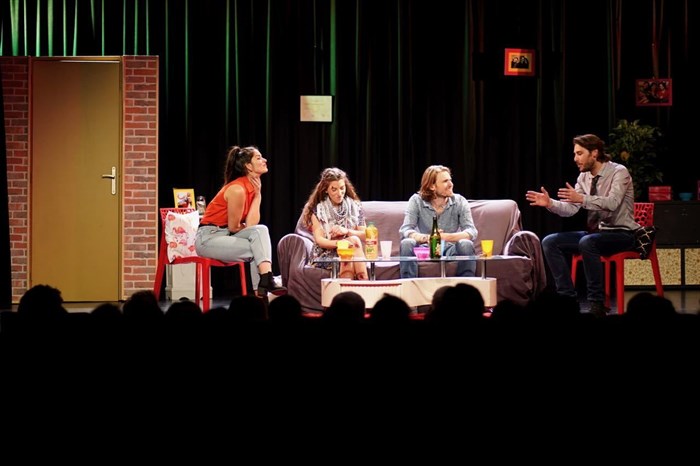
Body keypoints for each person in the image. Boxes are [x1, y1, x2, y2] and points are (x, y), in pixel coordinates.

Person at [525, 134, 638, 317]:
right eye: (574, 154)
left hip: (623, 234)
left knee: (587, 242)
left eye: (579, 153)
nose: (575, 159)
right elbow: (571, 209)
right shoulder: (583, 177)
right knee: (550, 241)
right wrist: (550, 203)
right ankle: (567, 299)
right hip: (597, 234)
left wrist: (582, 198)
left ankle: (596, 303)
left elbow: (613, 203)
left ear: (594, 153)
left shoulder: (619, 172)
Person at [195, 145, 287, 298]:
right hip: (208, 238)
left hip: (225, 236)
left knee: (261, 233)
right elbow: (234, 227)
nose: (264, 160)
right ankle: (265, 286)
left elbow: (251, 226)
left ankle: (264, 285)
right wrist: (245, 227)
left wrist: (258, 196)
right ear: (248, 166)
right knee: (258, 248)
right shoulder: (237, 189)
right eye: (259, 158)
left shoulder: (250, 188)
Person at [399, 165, 477, 279]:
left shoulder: (460, 201)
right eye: (445, 181)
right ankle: (408, 285)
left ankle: (466, 286)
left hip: (450, 248)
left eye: (450, 180)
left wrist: (446, 237)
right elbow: (405, 230)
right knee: (406, 243)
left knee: (466, 244)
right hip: (425, 248)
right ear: (432, 186)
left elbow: (471, 231)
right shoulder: (416, 200)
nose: (451, 184)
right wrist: (427, 238)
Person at [301, 167, 369, 280]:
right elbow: (320, 240)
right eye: (334, 189)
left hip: (349, 249)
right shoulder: (318, 210)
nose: (339, 193)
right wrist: (341, 243)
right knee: (349, 247)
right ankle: (364, 284)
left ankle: (349, 288)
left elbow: (366, 235)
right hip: (326, 253)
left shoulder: (355, 207)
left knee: (349, 249)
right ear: (326, 190)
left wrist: (347, 231)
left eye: (342, 188)